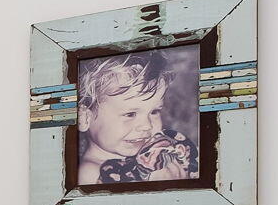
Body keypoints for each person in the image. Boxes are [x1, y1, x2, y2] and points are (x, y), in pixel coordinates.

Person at [76, 51, 197, 184]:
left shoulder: (158, 151)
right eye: (130, 114)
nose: (147, 126)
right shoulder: (89, 174)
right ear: (84, 118)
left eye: (154, 112)